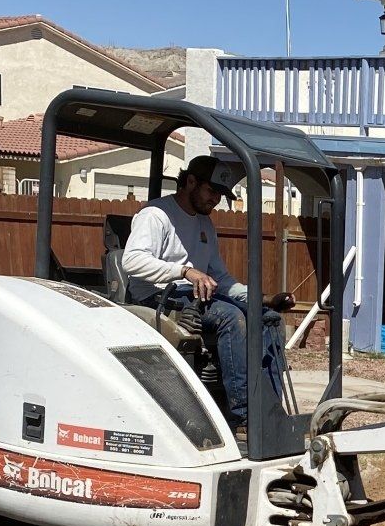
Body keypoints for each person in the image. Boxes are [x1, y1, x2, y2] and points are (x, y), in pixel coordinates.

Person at [121, 155, 290, 430]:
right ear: (190, 182)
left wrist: (261, 299)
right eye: (211, 191)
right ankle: (243, 417)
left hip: (195, 294)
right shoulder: (156, 215)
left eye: (220, 194)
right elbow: (132, 260)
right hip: (157, 297)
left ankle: (270, 411)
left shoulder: (204, 224)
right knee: (232, 318)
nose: (216, 200)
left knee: (270, 320)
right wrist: (184, 271)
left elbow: (220, 278)